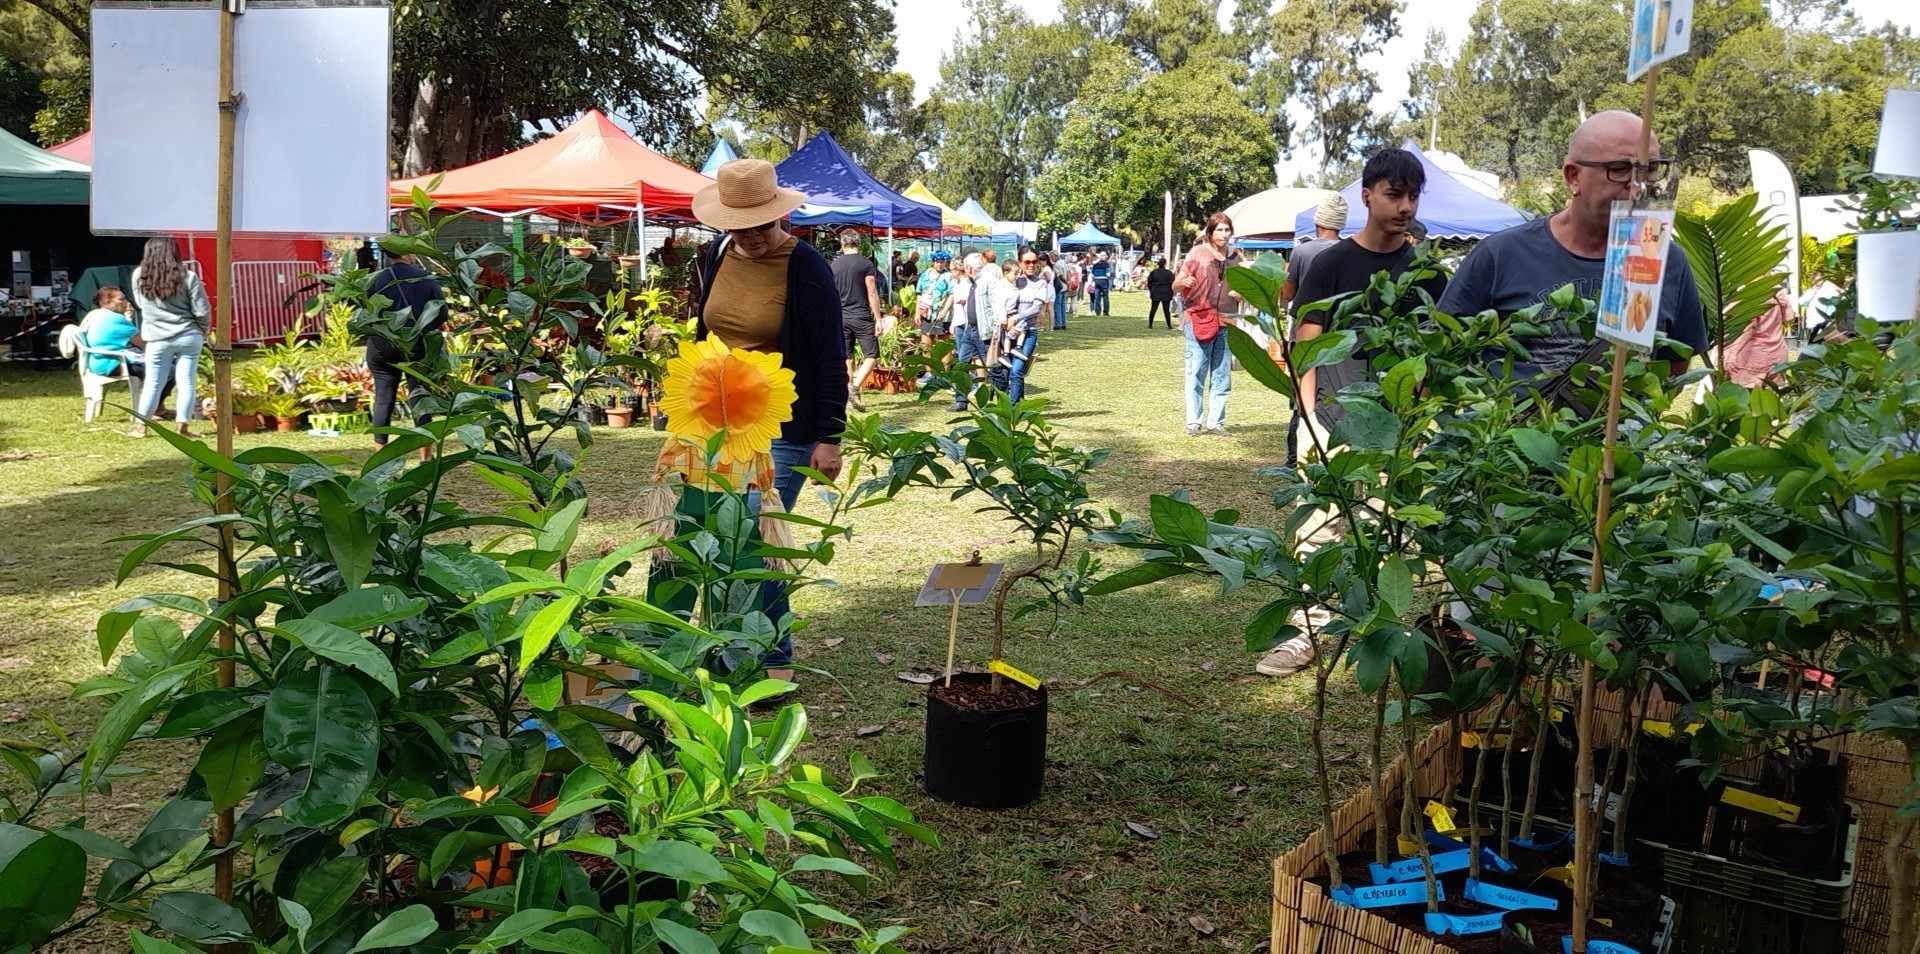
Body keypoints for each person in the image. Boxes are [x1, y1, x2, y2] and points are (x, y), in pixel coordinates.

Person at [1259, 147, 1449, 679]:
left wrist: (1415, 423)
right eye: (1393, 194)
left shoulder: (1427, 275)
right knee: (1318, 535)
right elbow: (1308, 342)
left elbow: (1436, 351)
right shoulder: (1329, 264)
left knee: (1387, 535)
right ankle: (1306, 633)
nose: (1405, 206)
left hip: (1395, 430)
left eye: (1413, 196)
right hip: (1331, 422)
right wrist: (1310, 415)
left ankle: (1377, 636)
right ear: (1366, 195)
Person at [689, 158, 850, 678]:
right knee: (715, 537)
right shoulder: (718, 253)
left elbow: (829, 355)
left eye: (762, 222)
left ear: (779, 214)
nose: (753, 235)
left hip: (783, 426)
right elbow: (704, 334)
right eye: (740, 225)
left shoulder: (805, 265)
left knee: (757, 541)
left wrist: (830, 436)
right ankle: (727, 653)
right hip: (715, 420)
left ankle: (773, 664)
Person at [1438, 110, 1708, 383]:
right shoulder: (1500, 255)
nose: (1639, 187)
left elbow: (1676, 361)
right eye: (1620, 169)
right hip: (1516, 422)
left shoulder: (1666, 260)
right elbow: (1440, 354)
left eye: (1650, 169)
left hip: (1622, 426)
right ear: (1572, 177)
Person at [129, 237, 211, 438]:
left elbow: (140, 304)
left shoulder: (139, 275)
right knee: (186, 382)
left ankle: (141, 427)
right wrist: (203, 330)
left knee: (153, 383)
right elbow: (201, 310)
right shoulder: (189, 276)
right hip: (188, 335)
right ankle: (182, 426)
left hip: (156, 337)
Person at [365, 255, 446, 450]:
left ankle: (380, 457)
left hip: (381, 344)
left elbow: (366, 314)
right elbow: (441, 313)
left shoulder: (373, 280)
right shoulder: (426, 278)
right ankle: (425, 458)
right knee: (419, 394)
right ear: (408, 252)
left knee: (383, 397)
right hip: (417, 344)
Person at [1173, 214, 1244, 436]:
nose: (1224, 234)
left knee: (1222, 373)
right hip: (1198, 318)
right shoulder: (1197, 254)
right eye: (1219, 230)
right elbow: (1175, 285)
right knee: (1196, 371)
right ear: (1210, 232)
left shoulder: (1236, 257)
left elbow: (1246, 285)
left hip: (1227, 320)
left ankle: (1216, 422)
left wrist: (1240, 292)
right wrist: (1183, 282)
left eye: (1227, 230)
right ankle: (1194, 421)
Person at [830, 229, 885, 410]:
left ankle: (849, 394)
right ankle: (854, 387)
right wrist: (878, 318)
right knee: (872, 355)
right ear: (858, 243)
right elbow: (871, 291)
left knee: (847, 356)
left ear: (842, 243)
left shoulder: (834, 265)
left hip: (840, 316)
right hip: (861, 315)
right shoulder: (865, 264)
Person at [991, 249, 1052, 403]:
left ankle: (1012, 408)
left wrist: (1016, 318)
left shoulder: (1040, 283)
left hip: (1027, 332)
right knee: (1005, 369)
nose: (1031, 265)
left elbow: (1036, 308)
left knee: (1017, 370)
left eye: (1034, 261)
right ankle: (1014, 403)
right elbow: (998, 298)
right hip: (1007, 332)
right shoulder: (1013, 280)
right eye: (1027, 262)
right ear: (1020, 263)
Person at [1724, 285, 1792, 387]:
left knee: (1748, 398)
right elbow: (1789, 317)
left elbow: (1748, 329)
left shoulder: (1750, 293)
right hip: (1778, 353)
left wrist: (1732, 355)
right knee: (1771, 398)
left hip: (1753, 358)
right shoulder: (1777, 291)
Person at [949, 252, 992, 411]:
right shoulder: (972, 283)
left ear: (970, 268)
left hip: (983, 331)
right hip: (969, 328)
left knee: (991, 365)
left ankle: (990, 400)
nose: (965, 270)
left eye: (967, 267)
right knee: (962, 364)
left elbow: (994, 306)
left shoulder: (987, 282)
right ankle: (961, 401)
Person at [914, 250, 955, 386]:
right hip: (926, 313)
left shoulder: (949, 276)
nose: (939, 264)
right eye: (937, 261)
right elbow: (919, 294)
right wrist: (916, 312)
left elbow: (951, 295)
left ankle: (944, 374)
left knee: (944, 344)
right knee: (926, 343)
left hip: (942, 315)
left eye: (942, 262)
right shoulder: (925, 275)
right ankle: (929, 373)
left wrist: (944, 311)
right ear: (933, 261)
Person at [1146, 255, 1177, 329]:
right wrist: (1172, 291)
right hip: (1166, 292)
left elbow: (1149, 282)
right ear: (1165, 264)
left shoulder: (1154, 272)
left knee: (1153, 309)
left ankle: (1150, 324)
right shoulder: (1169, 273)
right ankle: (1169, 325)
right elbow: (1172, 283)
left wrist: (1152, 290)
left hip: (1156, 292)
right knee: (1166, 310)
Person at [1046, 253, 1068, 330]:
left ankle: (1058, 324)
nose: (1051, 259)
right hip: (1064, 287)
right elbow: (1067, 273)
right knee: (1063, 306)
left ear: (1055, 256)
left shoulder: (1056, 265)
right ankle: (1064, 323)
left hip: (1059, 287)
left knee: (1057, 306)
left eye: (1052, 257)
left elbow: (1059, 275)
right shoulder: (1064, 262)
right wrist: (1067, 283)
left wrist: (1065, 282)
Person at [1088, 251, 1113, 316]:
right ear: (1102, 256)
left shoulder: (1095, 264)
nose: (1105, 257)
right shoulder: (1106, 264)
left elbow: (1092, 274)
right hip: (1104, 281)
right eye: (1104, 255)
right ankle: (1105, 312)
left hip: (1096, 281)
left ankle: (1097, 312)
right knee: (1105, 297)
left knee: (1097, 297)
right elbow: (1108, 274)